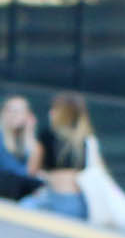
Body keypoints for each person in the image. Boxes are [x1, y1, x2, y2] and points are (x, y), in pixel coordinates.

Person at [26, 91, 93, 219]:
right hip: (81, 201)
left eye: (54, 108)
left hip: (55, 197)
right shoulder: (85, 139)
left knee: (24, 208)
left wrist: (29, 133)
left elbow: (31, 170)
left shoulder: (48, 134)